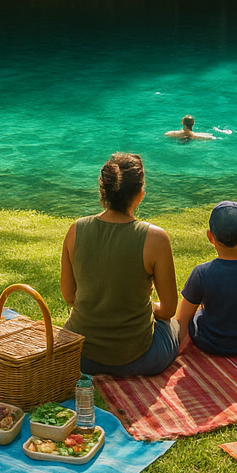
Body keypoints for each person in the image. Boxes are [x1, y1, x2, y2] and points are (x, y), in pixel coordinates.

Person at [61, 152, 180, 376]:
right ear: (140, 195)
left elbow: (69, 296)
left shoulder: (76, 229)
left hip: (81, 356)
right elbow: (168, 310)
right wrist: (148, 307)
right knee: (174, 325)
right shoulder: (155, 238)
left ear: (103, 192)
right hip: (138, 358)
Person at [176, 201, 237, 356]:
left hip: (209, 343)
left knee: (198, 315)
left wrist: (180, 343)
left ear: (210, 237)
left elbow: (183, 317)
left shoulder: (201, 273)